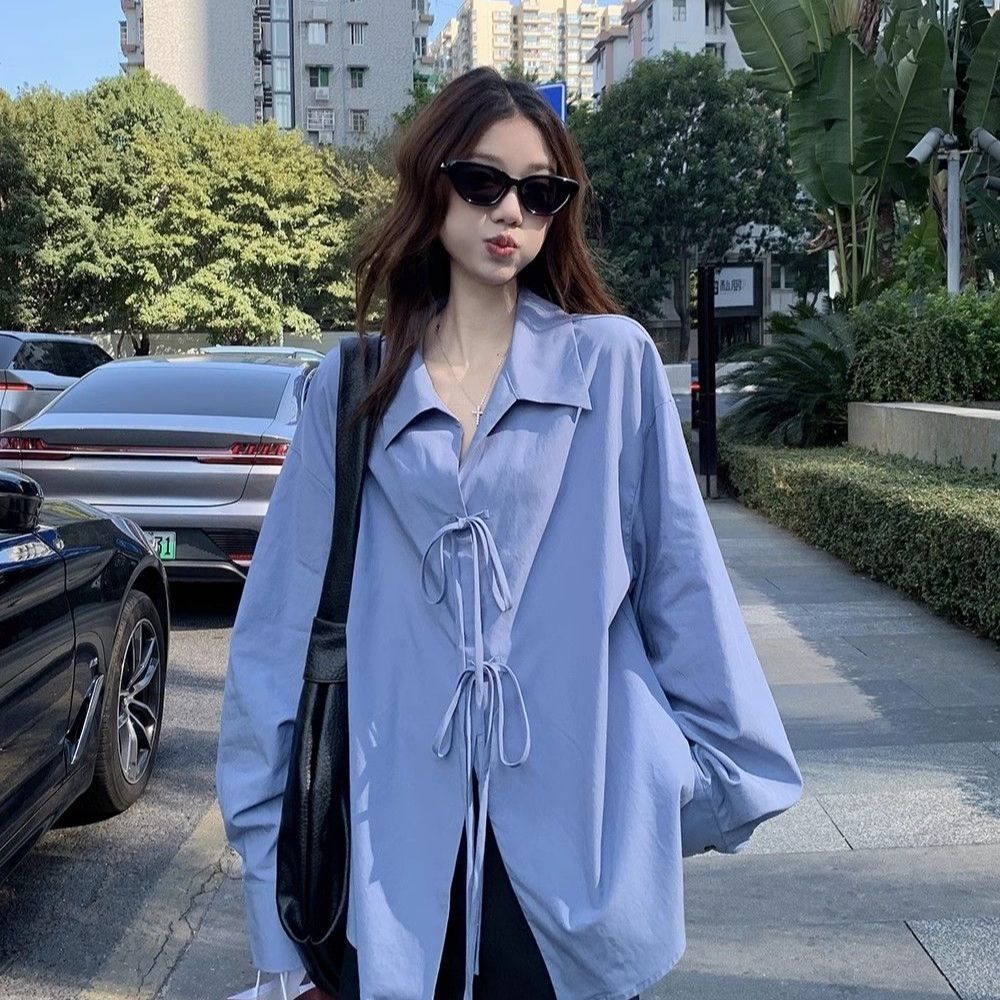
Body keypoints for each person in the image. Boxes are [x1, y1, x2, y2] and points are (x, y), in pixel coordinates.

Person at [216, 66, 803, 1000]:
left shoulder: (611, 363)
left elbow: (683, 587)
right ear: (433, 183)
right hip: (388, 858)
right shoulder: (352, 386)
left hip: (572, 856)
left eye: (540, 192)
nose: (510, 212)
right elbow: (277, 641)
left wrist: (667, 789)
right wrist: (273, 911)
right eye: (483, 181)